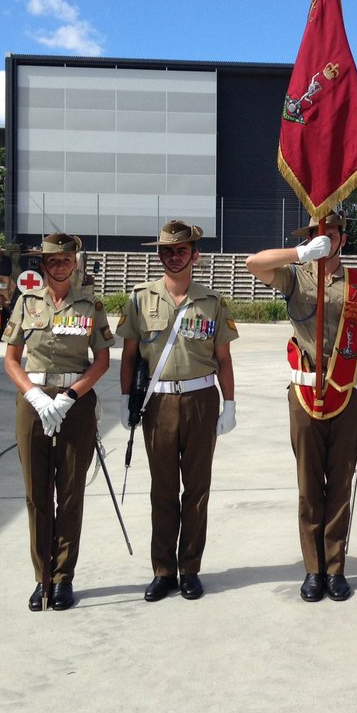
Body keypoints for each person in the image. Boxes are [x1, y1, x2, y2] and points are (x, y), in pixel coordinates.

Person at [245, 211, 357, 602]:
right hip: (305, 394)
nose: (326, 238)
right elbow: (253, 263)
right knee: (310, 487)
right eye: (318, 233)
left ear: (343, 237)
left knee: (341, 484)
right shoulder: (295, 276)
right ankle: (313, 569)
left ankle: (335, 567)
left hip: (347, 393)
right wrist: (300, 253)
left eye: (332, 233)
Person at [116, 221, 237, 602]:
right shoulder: (140, 298)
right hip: (159, 403)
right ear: (160, 256)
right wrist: (125, 399)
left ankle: (190, 569)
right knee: (163, 489)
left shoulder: (212, 302)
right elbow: (130, 355)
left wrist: (230, 403)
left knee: (197, 489)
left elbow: (224, 360)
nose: (173, 257)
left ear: (194, 256)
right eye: (167, 251)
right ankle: (163, 569)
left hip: (201, 400)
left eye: (181, 251)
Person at [3, 232, 113, 611]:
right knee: (36, 493)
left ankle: (64, 577)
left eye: (66, 260)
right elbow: (11, 359)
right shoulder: (26, 303)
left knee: (70, 493)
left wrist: (71, 396)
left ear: (75, 263)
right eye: (52, 261)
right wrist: (32, 394)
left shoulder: (90, 304)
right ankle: (42, 578)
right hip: (33, 401)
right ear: (43, 265)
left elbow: (101, 360)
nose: (60, 266)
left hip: (74, 403)